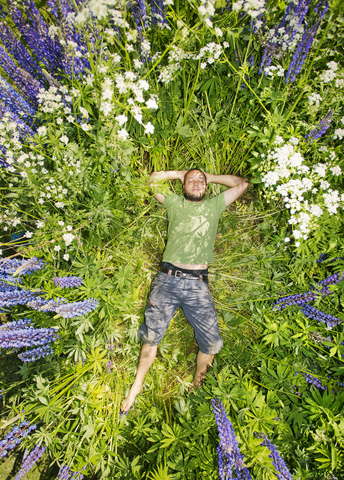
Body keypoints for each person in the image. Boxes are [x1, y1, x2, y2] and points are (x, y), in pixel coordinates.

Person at [121, 169, 249, 413]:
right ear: (183, 186)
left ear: (207, 186)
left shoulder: (214, 206)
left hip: (198, 285)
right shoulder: (174, 203)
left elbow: (241, 184)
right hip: (166, 280)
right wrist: (180, 173)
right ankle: (136, 386)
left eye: (200, 180)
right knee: (151, 338)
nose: (196, 182)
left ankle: (197, 388)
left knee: (211, 344)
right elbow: (152, 181)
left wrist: (208, 177)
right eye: (191, 180)